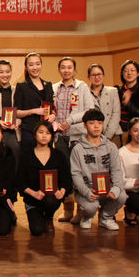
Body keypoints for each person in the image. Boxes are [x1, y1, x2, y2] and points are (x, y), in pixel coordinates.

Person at [52, 57, 93, 223]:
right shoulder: (54, 88)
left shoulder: (82, 87)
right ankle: (67, 209)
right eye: (63, 67)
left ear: (74, 70)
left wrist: (70, 120)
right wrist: (54, 124)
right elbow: (51, 110)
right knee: (64, 173)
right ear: (59, 70)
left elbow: (89, 110)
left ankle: (80, 210)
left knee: (79, 173)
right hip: (60, 137)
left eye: (69, 67)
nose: (66, 70)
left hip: (78, 136)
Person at [70, 109, 127, 231]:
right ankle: (86, 217)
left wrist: (116, 188)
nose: (96, 126)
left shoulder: (111, 146)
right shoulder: (78, 149)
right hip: (88, 190)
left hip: (107, 188)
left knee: (122, 196)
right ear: (85, 125)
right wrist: (87, 192)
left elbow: (117, 170)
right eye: (92, 123)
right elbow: (75, 175)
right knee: (90, 207)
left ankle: (106, 218)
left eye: (100, 123)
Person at [17, 121, 72, 236]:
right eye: (41, 132)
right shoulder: (26, 155)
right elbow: (20, 181)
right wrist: (33, 193)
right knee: (37, 230)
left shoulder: (58, 155)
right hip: (33, 199)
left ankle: (48, 217)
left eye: (48, 133)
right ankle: (34, 212)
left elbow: (66, 178)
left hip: (52, 197)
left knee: (50, 200)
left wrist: (62, 191)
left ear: (51, 136)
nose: (44, 136)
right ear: (35, 134)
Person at [14, 52, 55, 147]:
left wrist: (53, 115)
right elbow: (16, 112)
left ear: (41, 65)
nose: (35, 67)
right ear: (26, 67)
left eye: (37, 64)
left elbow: (52, 108)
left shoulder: (48, 85)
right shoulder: (21, 86)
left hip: (47, 131)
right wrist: (33, 111)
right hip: (29, 130)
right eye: (31, 65)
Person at [115, 60, 139, 146]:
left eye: (132, 70)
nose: (129, 73)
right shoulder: (117, 90)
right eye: (126, 71)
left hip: (137, 132)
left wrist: (129, 103)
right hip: (119, 131)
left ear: (138, 73)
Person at [0, 60, 21, 170]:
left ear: (11, 72)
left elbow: (21, 111)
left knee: (15, 161)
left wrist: (17, 123)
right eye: (1, 72)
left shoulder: (17, 91)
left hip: (13, 131)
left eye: (7, 71)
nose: (5, 75)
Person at [87, 64, 122, 141]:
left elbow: (116, 113)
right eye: (93, 75)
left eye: (99, 74)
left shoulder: (113, 91)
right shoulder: (85, 93)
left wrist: (108, 136)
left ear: (103, 76)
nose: (97, 77)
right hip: (92, 135)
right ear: (89, 77)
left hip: (113, 134)